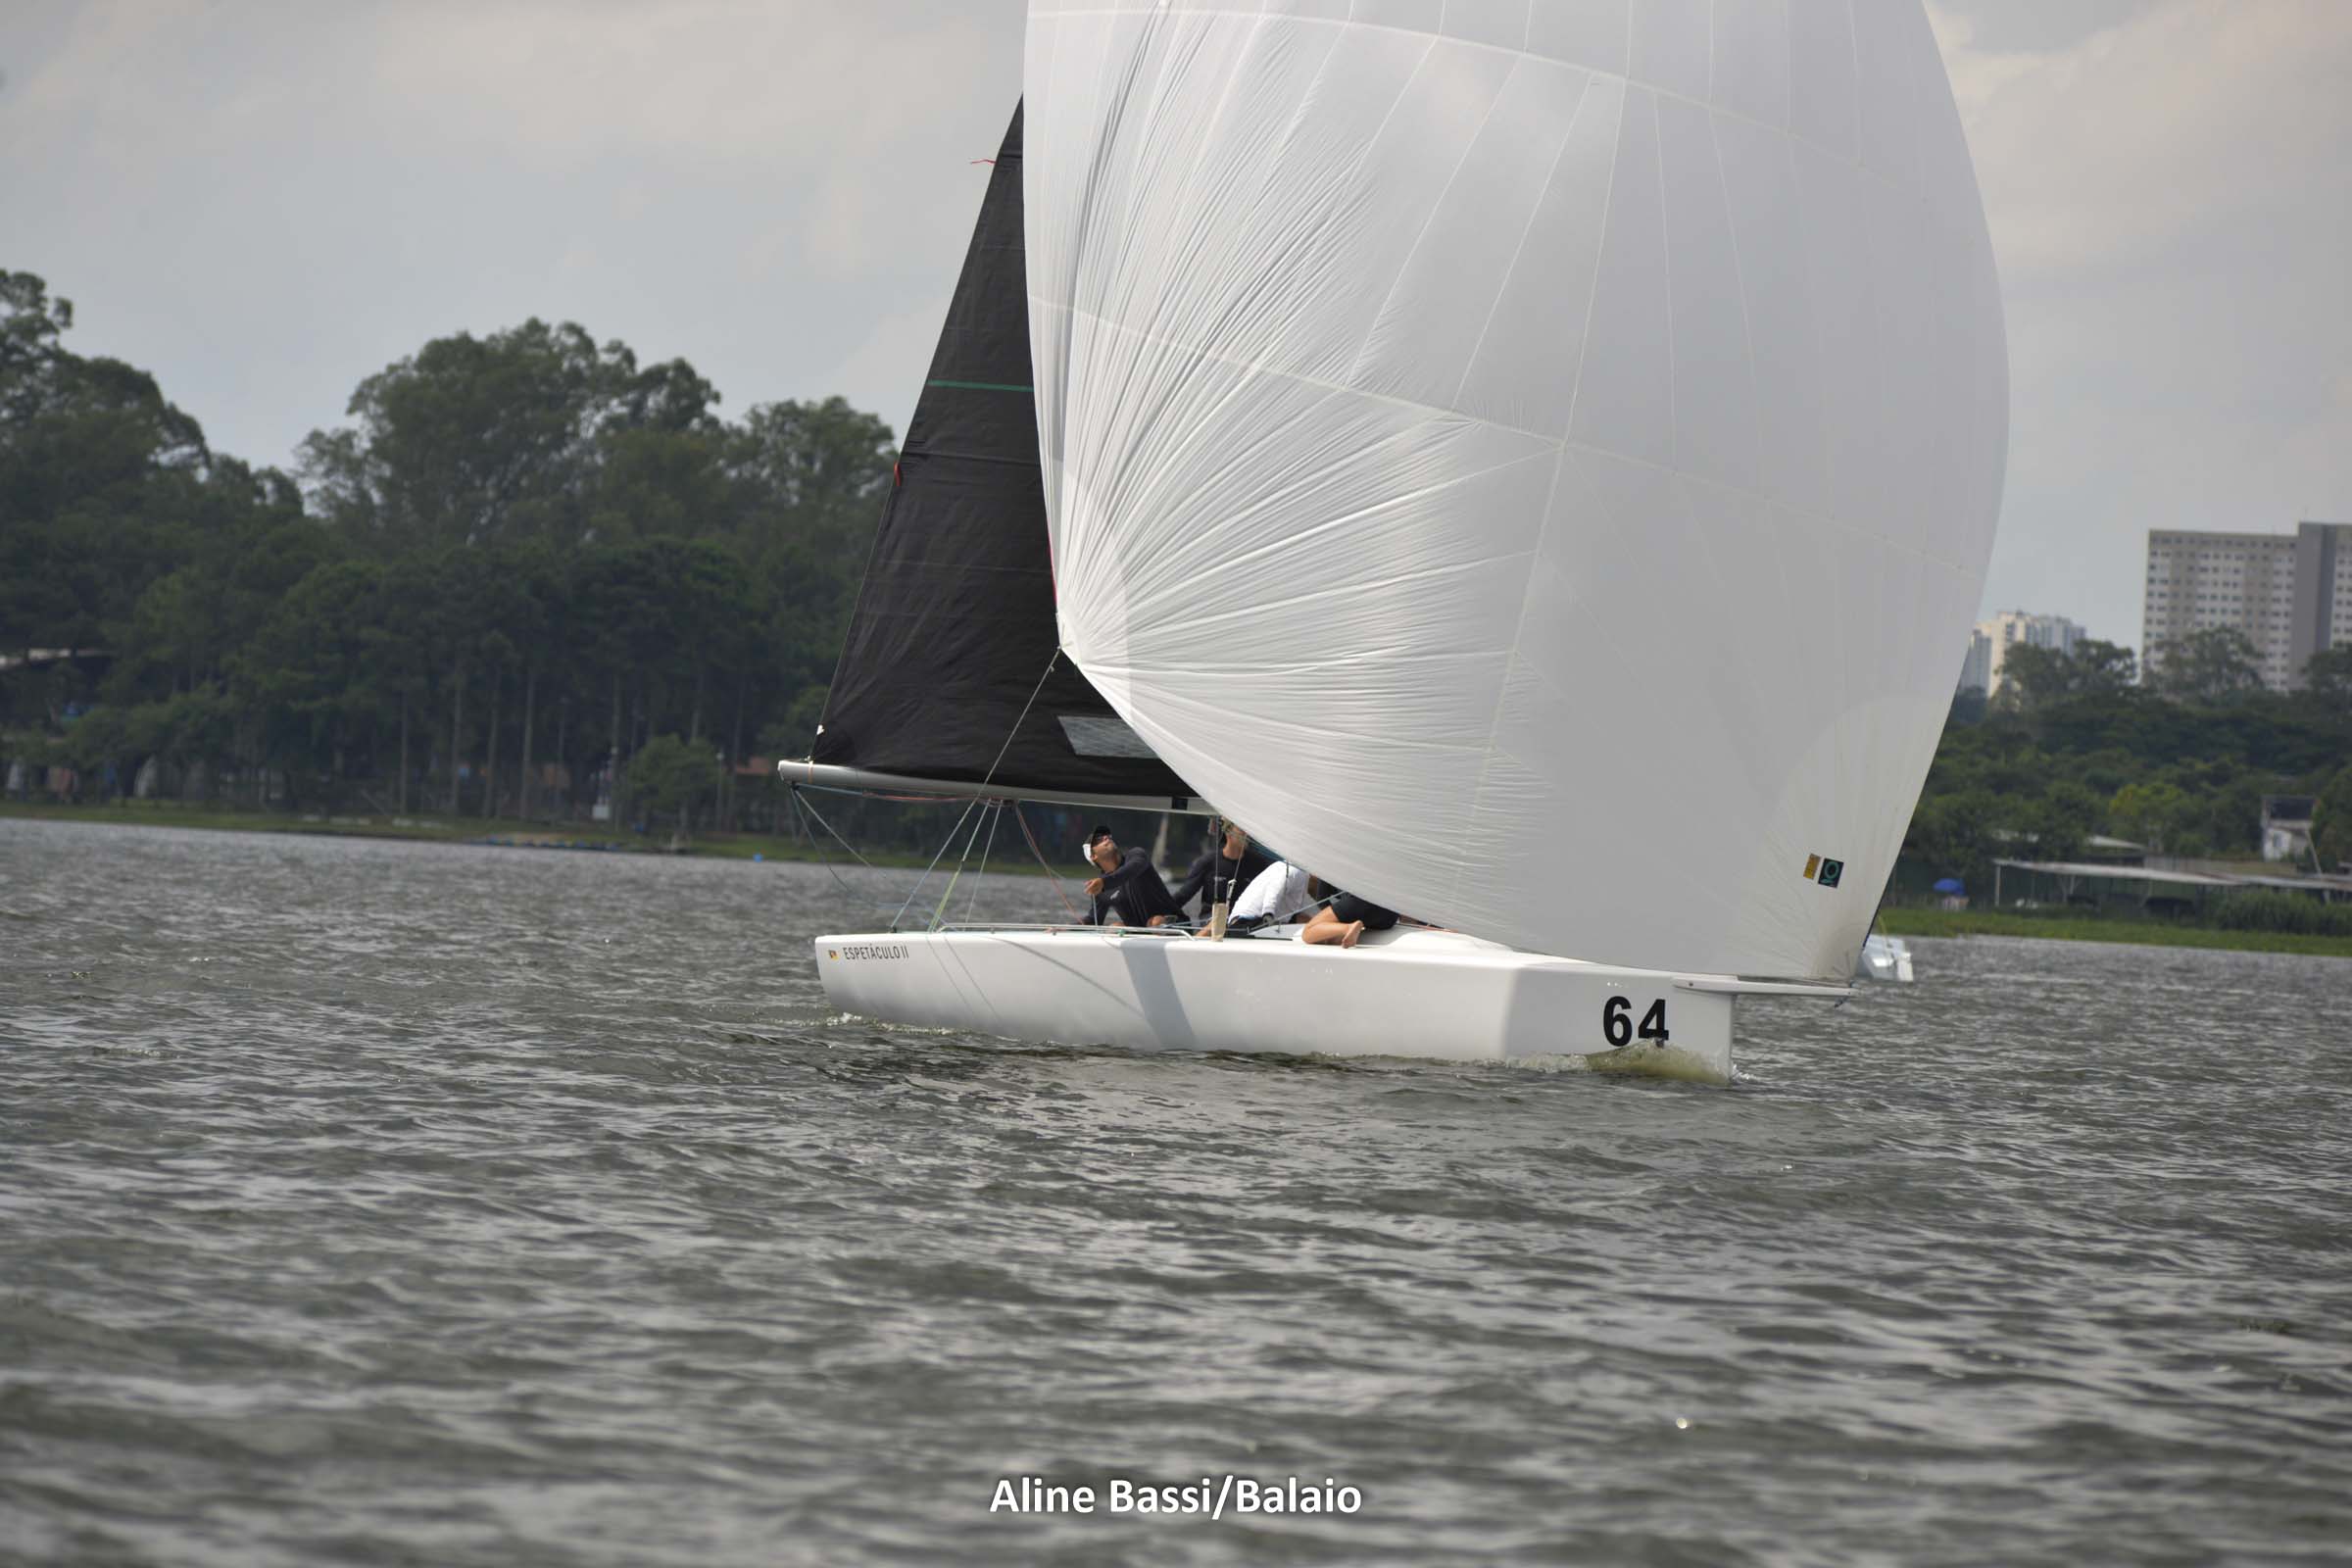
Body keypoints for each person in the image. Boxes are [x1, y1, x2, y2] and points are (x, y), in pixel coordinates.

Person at [1081, 825, 1184, 927]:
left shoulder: (1137, 855)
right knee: (1114, 927)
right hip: (1141, 932)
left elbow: (1129, 870)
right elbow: (1093, 920)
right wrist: (1071, 928)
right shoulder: (1100, 888)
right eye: (1098, 840)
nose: (1105, 837)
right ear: (1093, 856)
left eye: (1106, 835)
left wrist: (1104, 883)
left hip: (1176, 924)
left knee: (1155, 922)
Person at [1219, 858, 1321, 934]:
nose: (1319, 885)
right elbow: (1276, 887)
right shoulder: (1295, 870)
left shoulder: (1300, 878)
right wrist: (1268, 913)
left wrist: (1325, 918)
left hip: (1252, 922)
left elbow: (1308, 904)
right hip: (1249, 923)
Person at [1301, 891, 1398, 950]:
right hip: (1390, 915)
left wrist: (1334, 917)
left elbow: (1321, 898)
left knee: (1307, 933)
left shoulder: (1328, 868)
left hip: (1362, 903)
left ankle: (1348, 928)